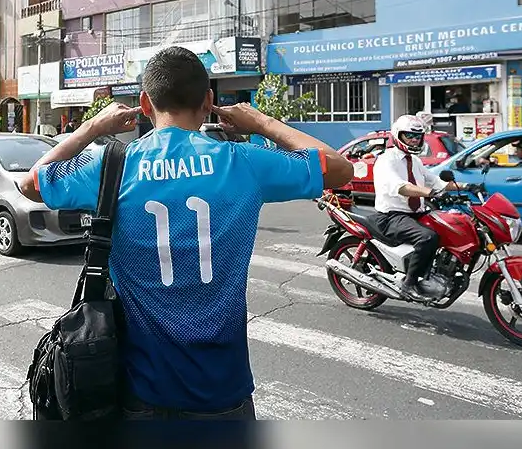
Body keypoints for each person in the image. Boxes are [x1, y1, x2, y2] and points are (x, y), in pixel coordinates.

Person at [18, 46, 353, 420]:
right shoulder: (242, 161)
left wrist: (93, 127)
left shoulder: (112, 164)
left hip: (141, 391)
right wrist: (260, 122)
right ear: (209, 100)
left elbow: (30, 184)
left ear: (145, 103)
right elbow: (340, 169)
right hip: (224, 390)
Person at [370, 115, 479, 301]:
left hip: (415, 214)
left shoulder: (415, 161)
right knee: (427, 237)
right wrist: (431, 193)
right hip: (391, 216)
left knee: (449, 228)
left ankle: (436, 274)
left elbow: (436, 182)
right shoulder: (386, 160)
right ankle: (409, 284)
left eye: (417, 137)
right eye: (409, 136)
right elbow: (401, 187)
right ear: (398, 136)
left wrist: (468, 187)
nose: (414, 140)